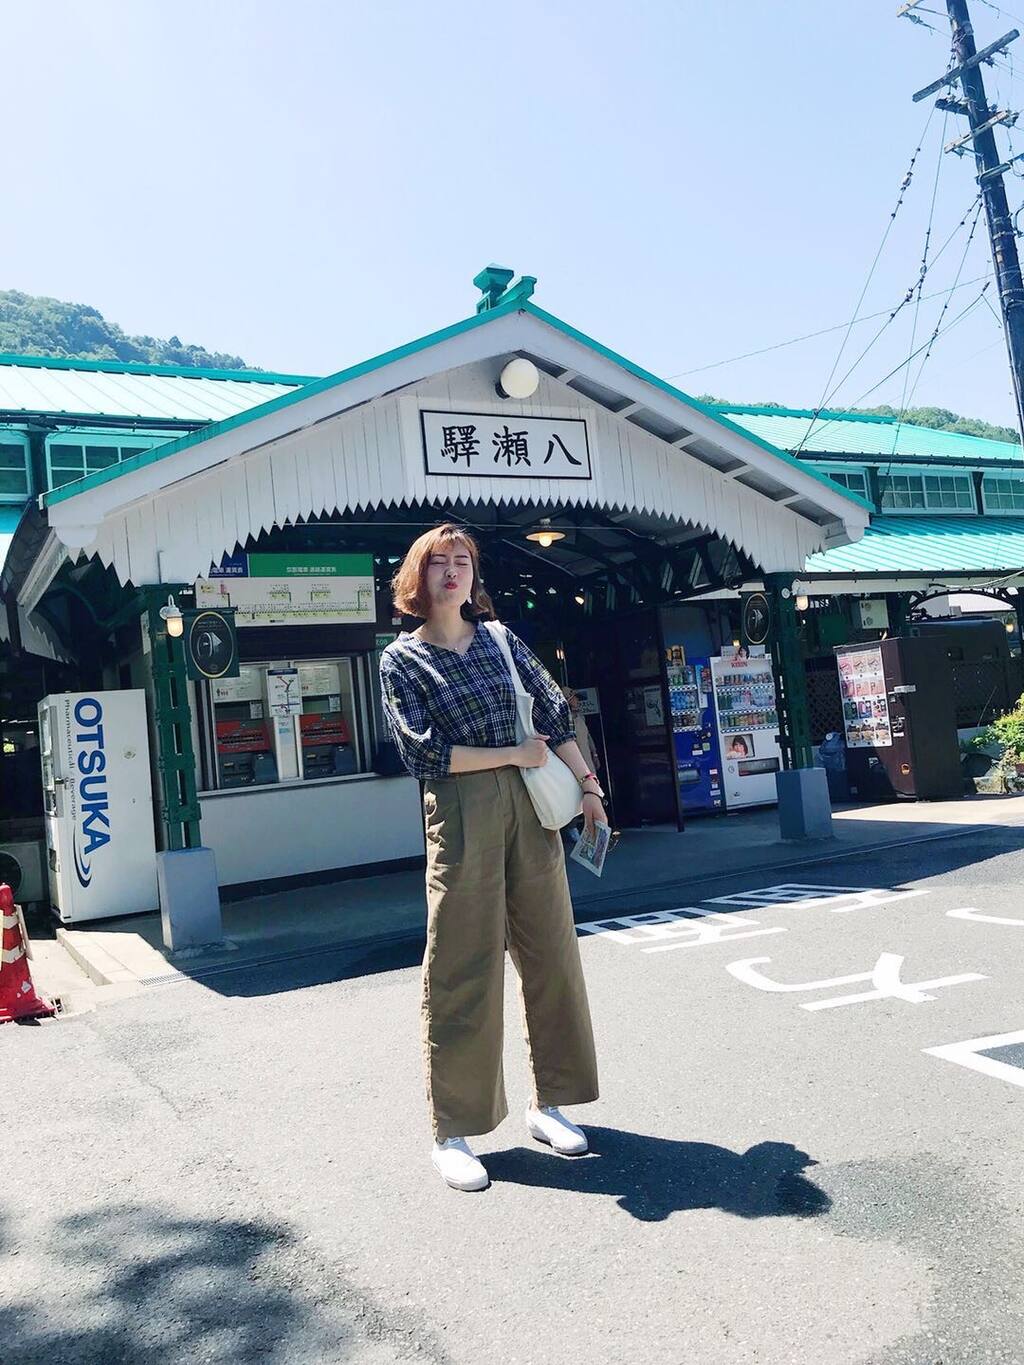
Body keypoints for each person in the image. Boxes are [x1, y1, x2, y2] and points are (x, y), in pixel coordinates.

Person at [379, 524, 603, 1193]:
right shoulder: (401, 660)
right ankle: (453, 1127)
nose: (453, 571)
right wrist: (512, 753)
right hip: (460, 808)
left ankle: (550, 1101)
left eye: (463, 561)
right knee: (462, 964)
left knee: (551, 953)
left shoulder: (502, 639)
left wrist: (589, 787)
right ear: (416, 579)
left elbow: (555, 716)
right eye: (438, 562)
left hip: (530, 806)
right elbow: (422, 754)